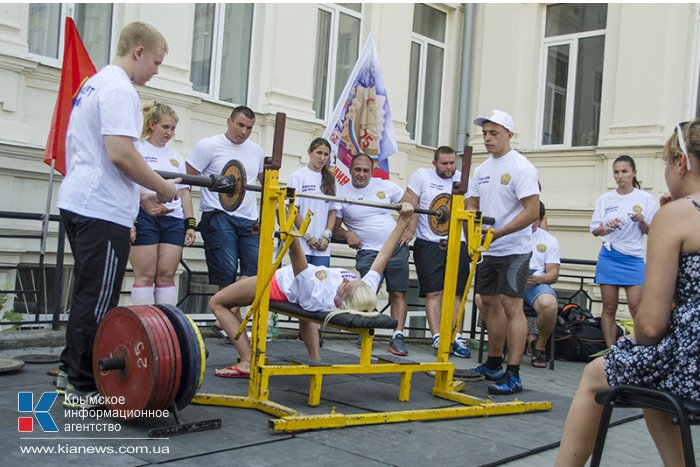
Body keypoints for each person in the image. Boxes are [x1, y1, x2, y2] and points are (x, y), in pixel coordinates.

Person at [556, 121, 700, 466]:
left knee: (597, 375)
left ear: (680, 163)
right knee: (648, 370)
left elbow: (649, 327)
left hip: (694, 362)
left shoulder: (676, 215)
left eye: (666, 163)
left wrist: (670, 213)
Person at [55, 22, 178, 407]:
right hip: (99, 210)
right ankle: (84, 384)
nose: (156, 71)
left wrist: (138, 198)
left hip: (80, 200)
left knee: (87, 295)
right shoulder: (121, 89)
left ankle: (69, 370)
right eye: (156, 62)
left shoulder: (94, 83)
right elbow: (121, 153)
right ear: (138, 52)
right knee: (98, 299)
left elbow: (96, 152)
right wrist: (160, 186)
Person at [209, 202, 416, 377]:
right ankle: (315, 361)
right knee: (305, 309)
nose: (346, 280)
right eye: (351, 280)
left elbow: (294, 249)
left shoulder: (317, 294)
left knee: (218, 302)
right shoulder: (365, 291)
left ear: (341, 303)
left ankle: (246, 361)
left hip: (278, 284)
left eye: (346, 285)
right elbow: (384, 254)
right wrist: (404, 220)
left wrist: (283, 211)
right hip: (298, 285)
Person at [466, 109, 540, 395]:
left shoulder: (521, 167)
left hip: (514, 248)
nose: (487, 138)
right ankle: (493, 363)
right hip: (488, 248)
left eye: (494, 133)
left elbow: (532, 211)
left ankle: (514, 372)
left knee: (512, 306)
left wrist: (498, 233)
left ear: (509, 135)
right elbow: (472, 204)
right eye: (484, 133)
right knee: (488, 303)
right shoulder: (481, 170)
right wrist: (474, 231)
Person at [186, 105, 264, 334]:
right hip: (218, 214)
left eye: (249, 127)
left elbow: (263, 180)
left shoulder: (256, 151)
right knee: (227, 270)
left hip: (248, 218)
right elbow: (187, 178)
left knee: (253, 270)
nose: (244, 131)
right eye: (240, 125)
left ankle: (227, 318)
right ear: (229, 121)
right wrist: (188, 218)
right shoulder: (208, 146)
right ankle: (230, 320)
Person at [332, 154, 411, 356]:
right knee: (366, 291)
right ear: (350, 170)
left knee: (398, 292)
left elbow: (412, 206)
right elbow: (334, 227)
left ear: (372, 171)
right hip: (368, 250)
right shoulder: (341, 191)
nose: (361, 174)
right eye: (357, 170)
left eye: (366, 170)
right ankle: (364, 329)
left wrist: (411, 230)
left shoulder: (385, 185)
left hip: (395, 247)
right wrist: (348, 234)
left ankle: (398, 336)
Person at [402, 146, 472, 358]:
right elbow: (409, 204)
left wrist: (471, 244)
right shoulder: (421, 176)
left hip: (456, 242)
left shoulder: (463, 180)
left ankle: (457, 337)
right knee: (434, 292)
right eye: (444, 163)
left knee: (458, 293)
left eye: (452, 163)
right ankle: (437, 337)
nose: (449, 167)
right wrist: (409, 230)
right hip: (429, 242)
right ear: (435, 163)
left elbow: (470, 210)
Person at [129, 102, 196, 306]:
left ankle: (165, 327)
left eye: (173, 128)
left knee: (166, 275)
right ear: (152, 125)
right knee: (146, 275)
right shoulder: (137, 150)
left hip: (173, 219)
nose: (169, 133)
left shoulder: (176, 157)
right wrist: (130, 219)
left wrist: (190, 224)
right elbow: (129, 186)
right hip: (144, 216)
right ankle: (145, 325)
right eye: (165, 127)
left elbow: (184, 193)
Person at [590, 155, 657, 348]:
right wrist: (607, 227)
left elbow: (652, 232)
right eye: (616, 172)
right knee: (609, 308)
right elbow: (595, 231)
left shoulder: (645, 198)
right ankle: (611, 351)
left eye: (625, 171)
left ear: (634, 173)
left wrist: (642, 220)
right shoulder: (606, 198)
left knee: (637, 307)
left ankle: (641, 348)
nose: (620, 176)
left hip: (633, 258)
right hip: (609, 256)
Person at [287, 138, 336, 267]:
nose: (322, 158)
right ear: (310, 152)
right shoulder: (297, 176)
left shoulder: (331, 180)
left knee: (320, 284)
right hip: (301, 244)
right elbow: (293, 209)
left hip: (322, 248)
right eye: (319, 153)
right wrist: (307, 236)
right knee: (300, 283)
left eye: (326, 154)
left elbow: (333, 211)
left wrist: (327, 235)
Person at [524, 201, 560, 368]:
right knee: (482, 298)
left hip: (535, 283)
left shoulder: (549, 240)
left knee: (549, 304)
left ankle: (540, 345)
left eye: (534, 219)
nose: (530, 222)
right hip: (510, 282)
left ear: (540, 219)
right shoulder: (509, 233)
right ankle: (502, 344)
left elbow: (553, 273)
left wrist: (538, 279)